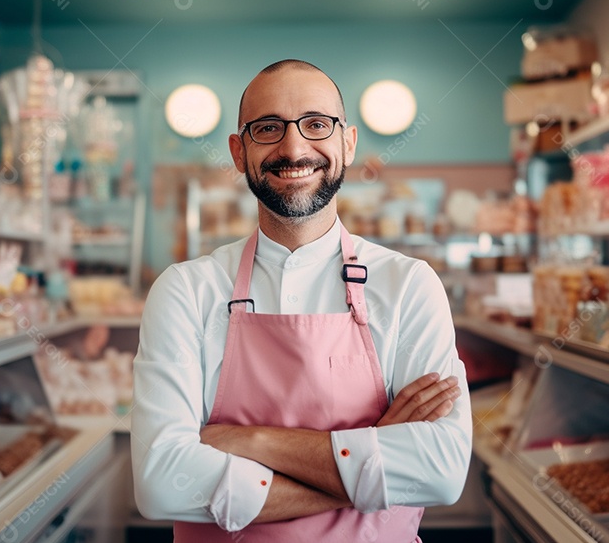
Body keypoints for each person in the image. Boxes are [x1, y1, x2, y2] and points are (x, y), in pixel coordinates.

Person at [132, 59, 472, 542]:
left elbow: (441, 473)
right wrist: (372, 462)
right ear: (238, 152)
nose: (293, 148)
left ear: (348, 143)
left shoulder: (409, 285)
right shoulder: (186, 290)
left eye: (316, 124)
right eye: (268, 128)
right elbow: (162, 484)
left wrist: (252, 441)